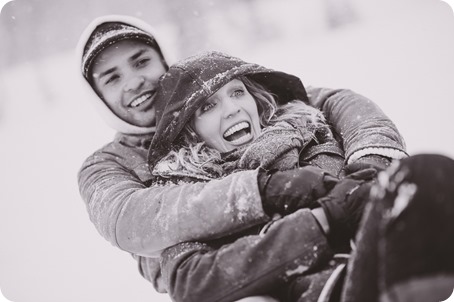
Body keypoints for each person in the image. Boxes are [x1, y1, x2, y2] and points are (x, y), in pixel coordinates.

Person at [76, 15, 407, 296]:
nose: (134, 81)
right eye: (113, 77)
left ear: (164, 59)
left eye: (141, 61)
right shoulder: (107, 165)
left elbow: (333, 102)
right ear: (97, 96)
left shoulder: (226, 98)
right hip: (231, 286)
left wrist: (372, 165)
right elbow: (132, 218)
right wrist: (265, 190)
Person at [147, 51, 454, 302]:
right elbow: (192, 283)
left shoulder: (309, 133)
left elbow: (359, 123)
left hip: (368, 263)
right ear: (187, 131)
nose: (232, 110)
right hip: (316, 291)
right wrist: (323, 220)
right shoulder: (186, 193)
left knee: (429, 172)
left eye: (238, 92)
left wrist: (365, 181)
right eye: (208, 106)